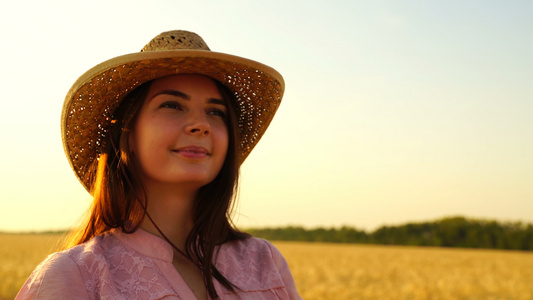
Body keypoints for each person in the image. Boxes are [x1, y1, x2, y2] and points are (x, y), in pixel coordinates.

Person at [16, 30, 301, 300]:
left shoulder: (265, 262)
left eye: (216, 112)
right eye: (172, 106)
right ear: (127, 133)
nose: (202, 125)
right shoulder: (72, 276)